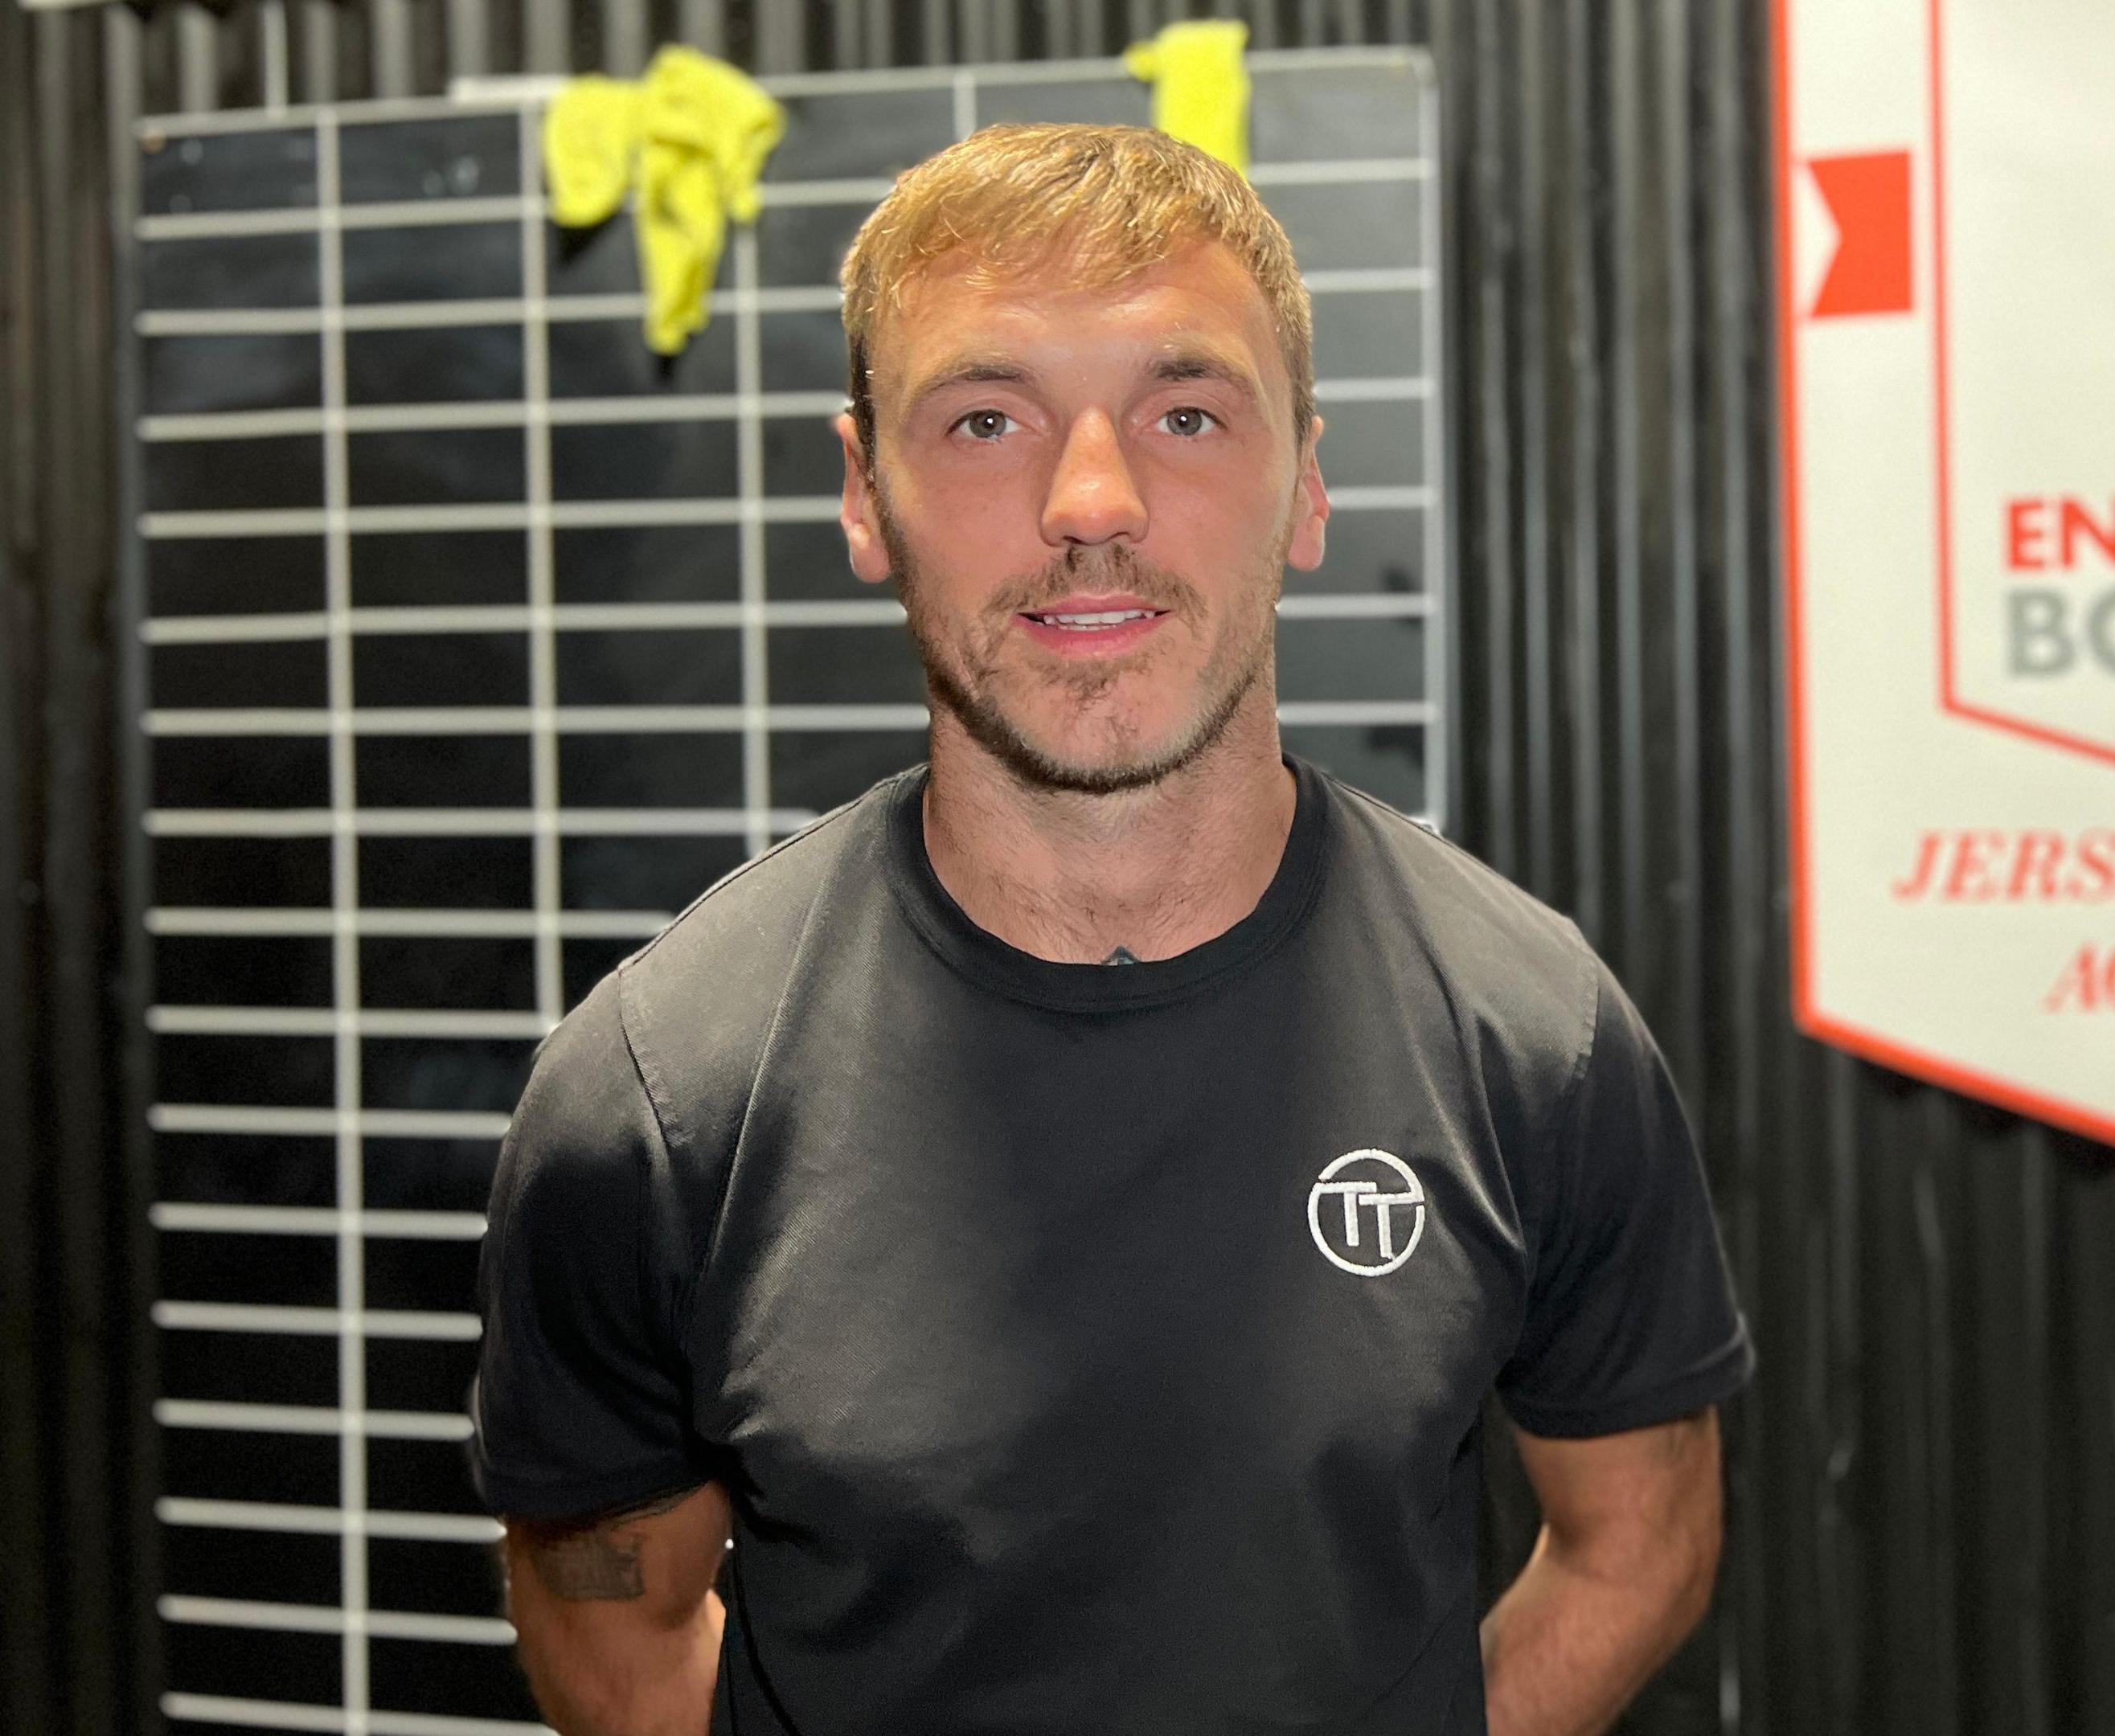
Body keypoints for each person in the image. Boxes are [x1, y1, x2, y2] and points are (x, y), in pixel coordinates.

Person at [468, 122, 1752, 1736]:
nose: (1093, 500)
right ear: (866, 494)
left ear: (1306, 485)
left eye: (1189, 412)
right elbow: (608, 1605)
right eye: (988, 417)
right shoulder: (654, 1105)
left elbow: (1639, 1541)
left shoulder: (1531, 1038)